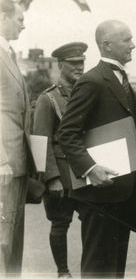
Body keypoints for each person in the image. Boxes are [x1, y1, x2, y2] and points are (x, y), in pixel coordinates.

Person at [57, 20, 136, 277]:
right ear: (107, 44)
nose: (133, 44)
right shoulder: (92, 81)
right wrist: (90, 168)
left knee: (114, 268)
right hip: (100, 196)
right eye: (126, 39)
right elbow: (66, 133)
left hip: (121, 193)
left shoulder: (119, 78)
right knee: (98, 268)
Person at [32, 42, 88, 278]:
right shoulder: (49, 99)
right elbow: (39, 140)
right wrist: (52, 178)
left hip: (84, 171)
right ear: (61, 65)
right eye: (74, 64)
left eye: (82, 63)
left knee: (91, 221)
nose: (79, 67)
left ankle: (90, 270)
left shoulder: (85, 94)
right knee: (60, 224)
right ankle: (63, 272)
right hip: (60, 175)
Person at [0, 0, 35, 275]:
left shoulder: (8, 54)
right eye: (20, 19)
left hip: (18, 162)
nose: (24, 25)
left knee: (13, 242)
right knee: (3, 239)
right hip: (5, 165)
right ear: (2, 17)